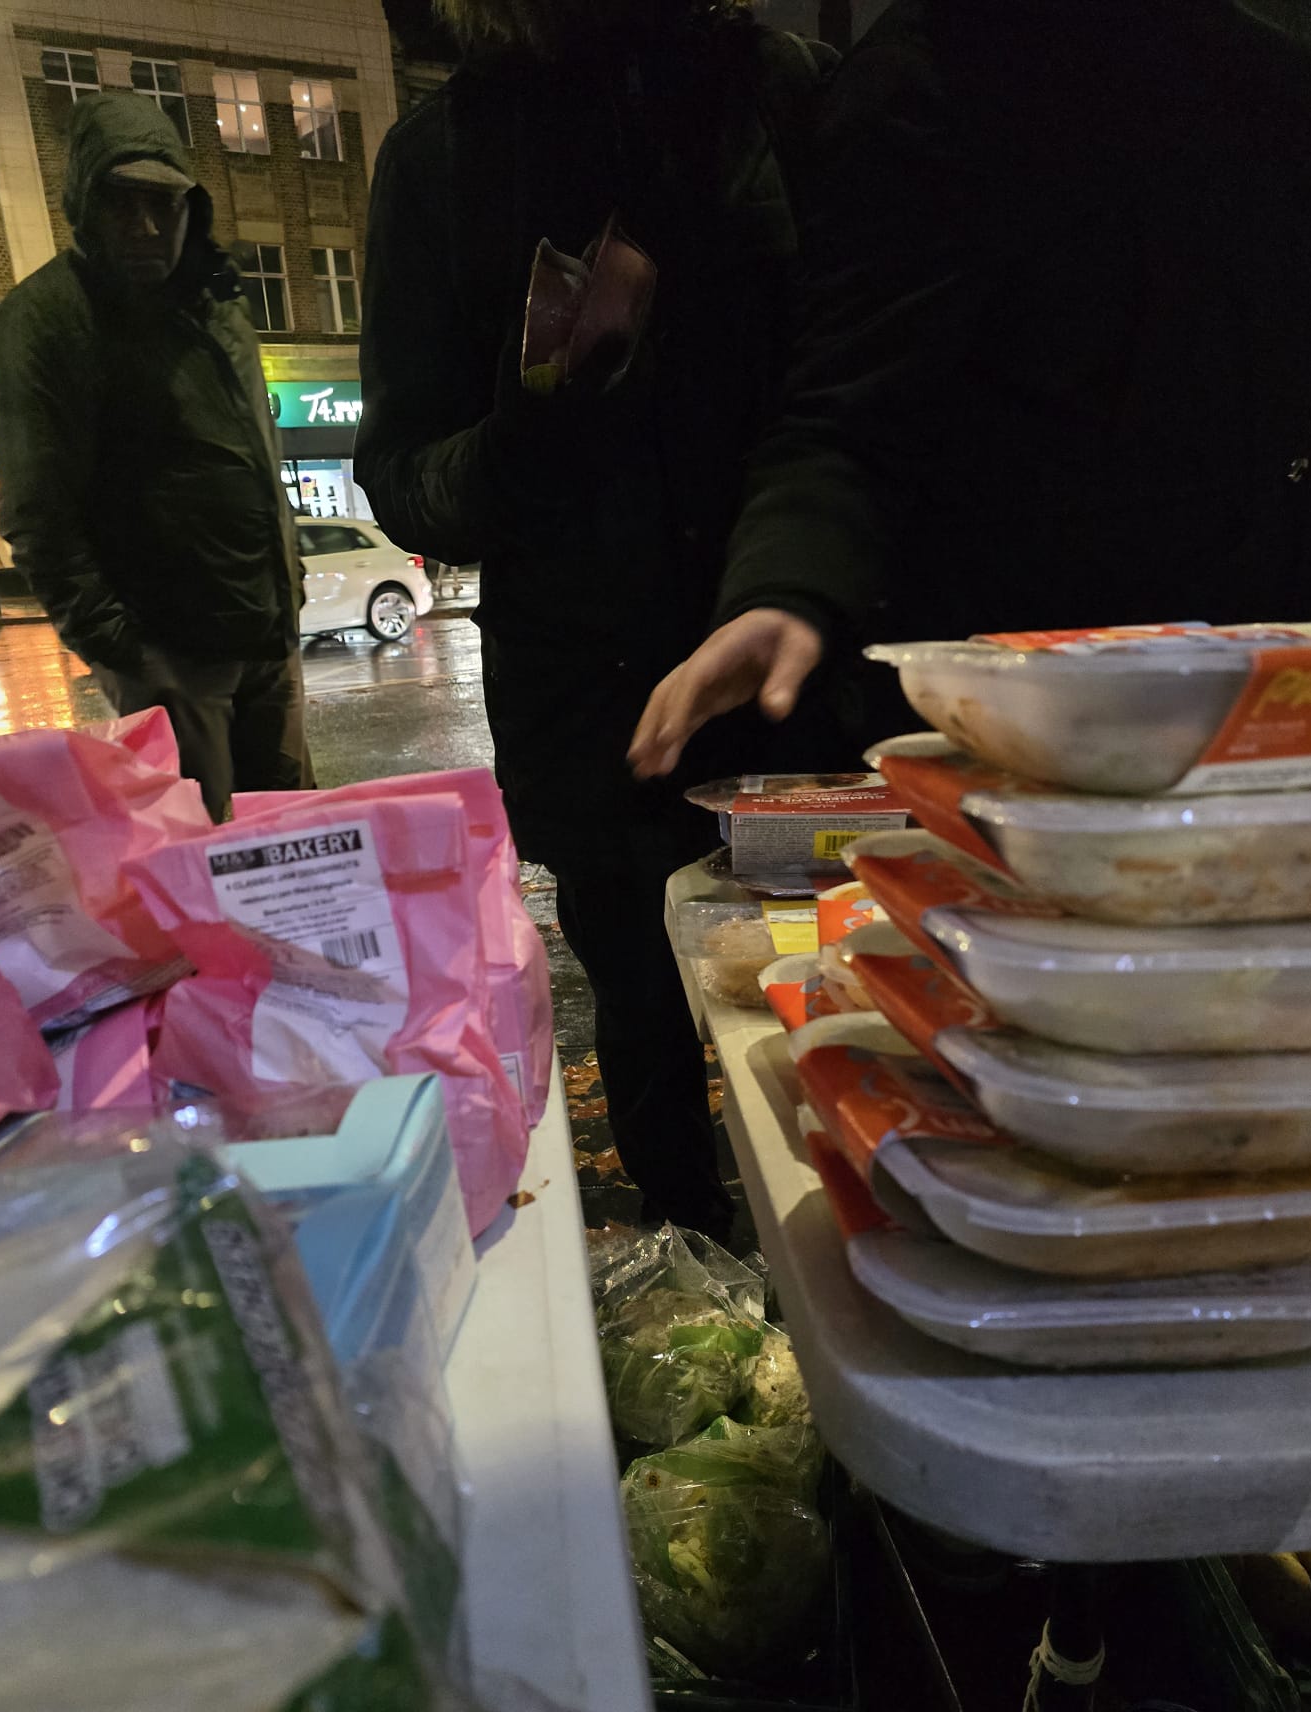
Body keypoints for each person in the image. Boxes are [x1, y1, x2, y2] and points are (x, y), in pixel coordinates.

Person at [355, 0, 866, 1237]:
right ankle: (691, 1250)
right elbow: (405, 475)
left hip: (799, 683)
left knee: (843, 1008)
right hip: (596, 705)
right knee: (640, 1012)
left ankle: (848, 1257)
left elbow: (872, 391)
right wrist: (522, 435)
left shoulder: (790, 97)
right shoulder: (446, 154)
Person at [629, 0, 1311, 780]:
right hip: (1051, 710)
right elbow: (852, 409)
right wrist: (786, 591)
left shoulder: (1270, 72)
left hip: (1290, 686)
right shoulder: (933, 80)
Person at [0, 95, 310, 821]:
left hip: (266, 638)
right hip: (173, 662)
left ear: (189, 208)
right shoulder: (48, 319)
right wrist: (131, 655)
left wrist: (287, 582)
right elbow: (37, 513)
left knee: (291, 847)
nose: (146, 226)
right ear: (85, 206)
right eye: (121, 203)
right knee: (202, 857)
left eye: (163, 204)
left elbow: (259, 458)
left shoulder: (215, 302)